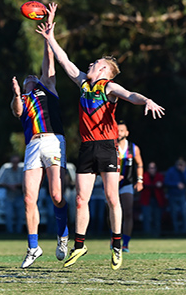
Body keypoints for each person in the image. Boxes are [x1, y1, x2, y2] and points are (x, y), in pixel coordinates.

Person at [36, 18, 165, 270]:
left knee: (111, 197)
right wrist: (50, 37)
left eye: (96, 63)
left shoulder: (110, 87)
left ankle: (116, 245)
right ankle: (80, 245)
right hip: (87, 147)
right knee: (81, 199)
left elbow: (130, 95)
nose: (91, 64)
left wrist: (147, 100)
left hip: (107, 146)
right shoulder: (84, 83)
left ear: (105, 70)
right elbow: (64, 61)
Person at [10, 3, 70, 269]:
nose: (31, 77)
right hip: (33, 145)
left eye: (34, 76)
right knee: (28, 198)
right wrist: (15, 94)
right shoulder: (23, 98)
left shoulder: (49, 87)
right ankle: (33, 247)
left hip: (53, 139)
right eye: (27, 78)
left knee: (57, 194)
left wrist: (48, 38)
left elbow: (48, 63)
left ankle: (63, 236)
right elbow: (17, 111)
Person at [115, 121, 143, 252]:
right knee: (110, 213)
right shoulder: (111, 146)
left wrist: (140, 180)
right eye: (117, 130)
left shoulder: (133, 148)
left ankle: (125, 243)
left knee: (128, 212)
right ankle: (113, 237)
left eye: (122, 130)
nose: (119, 133)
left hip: (127, 183)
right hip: (111, 184)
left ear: (126, 133)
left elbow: (140, 164)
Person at [0, 155, 24, 234]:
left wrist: (17, 185)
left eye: (16, 162)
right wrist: (9, 186)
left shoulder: (22, 171)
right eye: (13, 162)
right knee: (9, 214)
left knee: (20, 215)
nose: (15, 164)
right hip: (9, 195)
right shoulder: (6, 171)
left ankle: (19, 232)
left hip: (19, 195)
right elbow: (1, 182)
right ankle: (10, 232)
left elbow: (26, 182)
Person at [164, 157, 186, 234]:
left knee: (184, 213)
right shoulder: (171, 170)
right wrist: (176, 184)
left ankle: (185, 232)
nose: (180, 166)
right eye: (179, 164)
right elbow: (166, 182)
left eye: (181, 164)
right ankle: (175, 232)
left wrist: (183, 172)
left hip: (182, 195)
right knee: (173, 214)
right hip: (172, 195)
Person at [139, 162, 165, 236]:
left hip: (157, 201)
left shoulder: (159, 176)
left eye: (153, 168)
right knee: (147, 218)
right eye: (150, 168)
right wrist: (155, 185)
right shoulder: (144, 176)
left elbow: (162, 184)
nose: (152, 170)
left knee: (157, 218)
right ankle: (147, 234)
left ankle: (157, 234)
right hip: (146, 200)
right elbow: (144, 185)